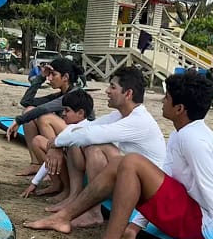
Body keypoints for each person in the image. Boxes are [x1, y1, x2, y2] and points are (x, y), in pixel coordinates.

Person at [24, 72, 213, 239]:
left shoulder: (194, 140)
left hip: (197, 223)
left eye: (166, 98)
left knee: (132, 161)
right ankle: (64, 218)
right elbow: (170, 181)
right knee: (121, 162)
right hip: (185, 211)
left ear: (179, 108)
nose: (161, 102)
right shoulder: (183, 132)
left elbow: (212, 192)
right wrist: (136, 226)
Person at [43, 66, 166, 229]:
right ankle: (75, 196)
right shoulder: (119, 115)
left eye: (113, 87)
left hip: (143, 190)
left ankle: (93, 212)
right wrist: (56, 145)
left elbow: (89, 135)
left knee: (96, 145)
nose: (107, 91)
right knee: (80, 141)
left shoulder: (139, 120)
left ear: (128, 94)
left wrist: (56, 143)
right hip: (130, 180)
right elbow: (84, 128)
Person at [6, 57, 87, 176]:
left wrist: (18, 120)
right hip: (67, 138)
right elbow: (26, 102)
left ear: (65, 77)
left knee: (44, 118)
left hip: (80, 143)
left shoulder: (73, 94)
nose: (49, 78)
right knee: (29, 110)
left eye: (53, 75)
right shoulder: (59, 95)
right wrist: (41, 77)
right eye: (48, 75)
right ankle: (36, 164)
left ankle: (55, 166)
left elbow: (44, 109)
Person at [21, 90, 94, 198]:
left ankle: (67, 189)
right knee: (38, 141)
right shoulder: (76, 126)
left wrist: (34, 183)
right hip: (81, 169)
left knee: (58, 150)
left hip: (83, 174)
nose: (63, 114)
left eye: (67, 110)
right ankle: (57, 184)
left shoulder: (74, 129)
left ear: (80, 113)